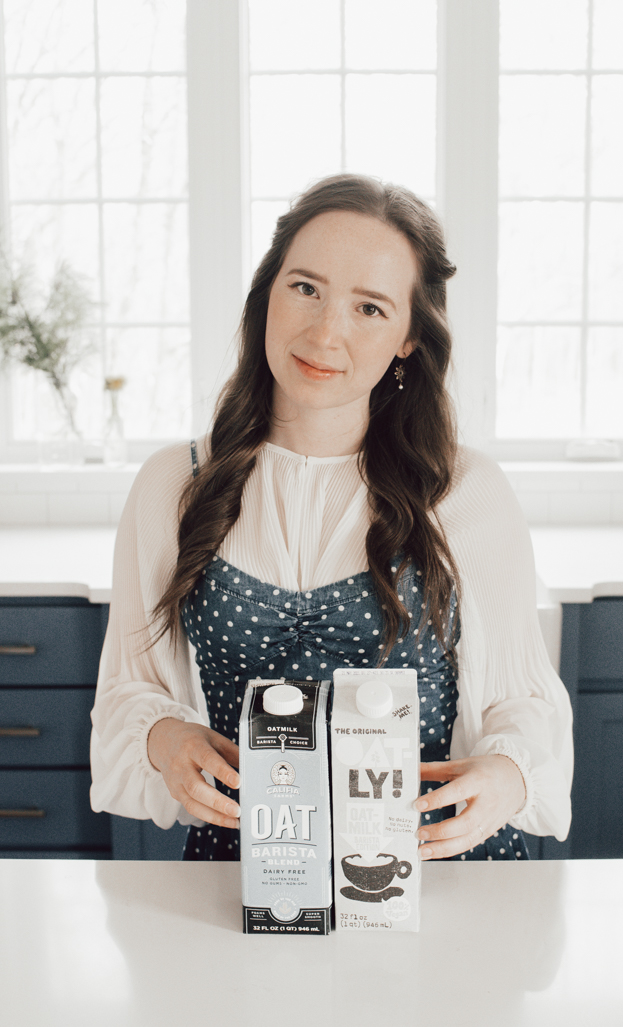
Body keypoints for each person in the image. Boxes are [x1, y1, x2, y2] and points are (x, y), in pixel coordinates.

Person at [90, 174, 573, 862]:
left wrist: (509, 774)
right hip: (247, 875)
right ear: (267, 297)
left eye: (370, 308)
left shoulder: (463, 491)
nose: (324, 332)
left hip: (428, 877)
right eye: (305, 288)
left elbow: (522, 703)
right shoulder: (174, 484)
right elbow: (128, 691)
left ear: (409, 338)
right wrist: (165, 740)